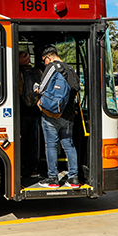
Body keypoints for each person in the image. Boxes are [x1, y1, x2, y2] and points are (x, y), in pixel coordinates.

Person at [35, 45, 81, 189]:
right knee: (69, 145)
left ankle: (53, 178)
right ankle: (74, 178)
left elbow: (41, 88)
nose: (44, 63)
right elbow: (77, 89)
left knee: (51, 146)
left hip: (52, 115)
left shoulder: (52, 67)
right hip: (68, 116)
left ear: (48, 57)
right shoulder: (70, 69)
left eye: (44, 61)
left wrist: (36, 88)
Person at [18, 51, 42, 178]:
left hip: (21, 111)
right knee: (33, 141)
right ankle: (33, 168)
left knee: (21, 140)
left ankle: (21, 167)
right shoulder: (37, 71)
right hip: (35, 111)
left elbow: (19, 91)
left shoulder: (16, 73)